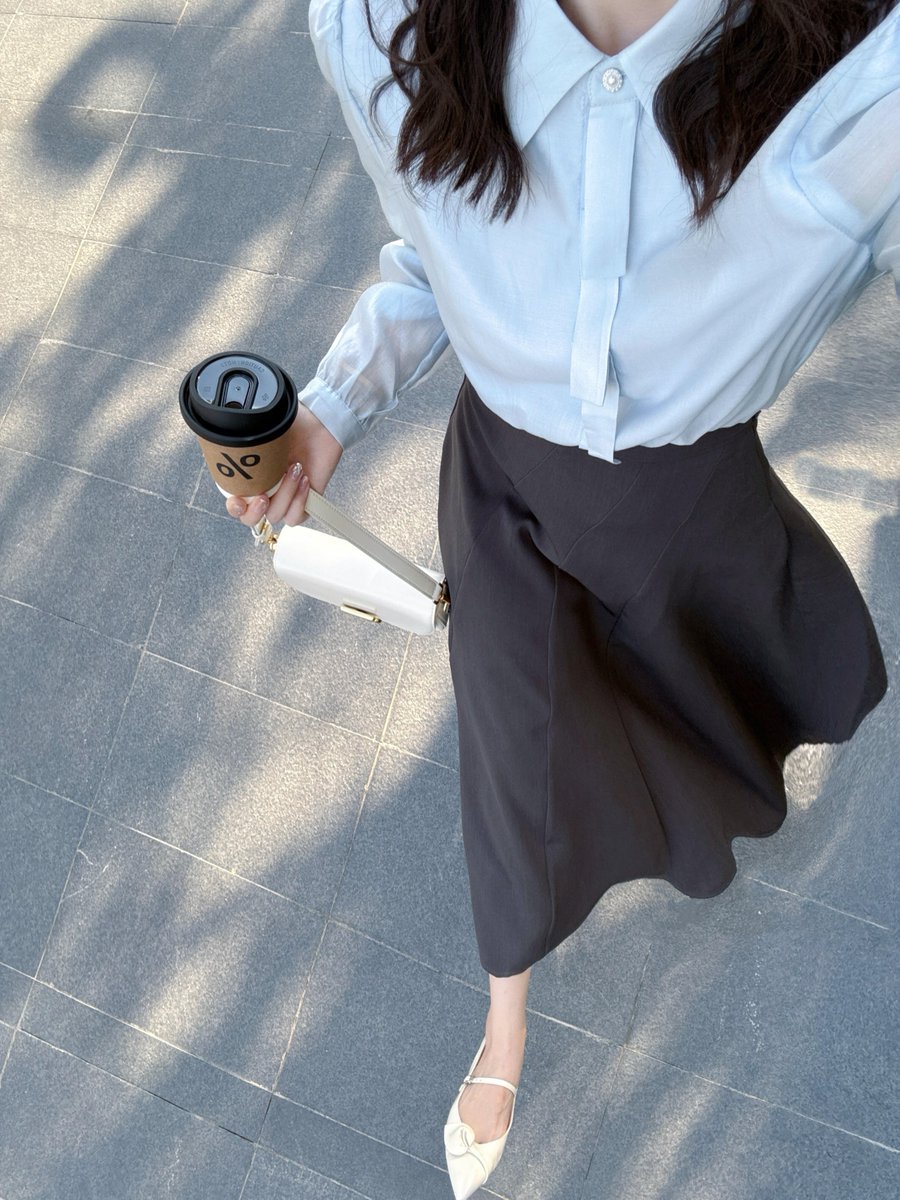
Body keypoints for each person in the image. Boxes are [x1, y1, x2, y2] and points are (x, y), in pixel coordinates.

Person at [225, 0, 897, 1195]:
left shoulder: (869, 74)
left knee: (708, 698)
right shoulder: (377, 19)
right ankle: (506, 1028)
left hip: (692, 505)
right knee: (514, 770)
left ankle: (701, 802)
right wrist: (331, 406)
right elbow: (429, 247)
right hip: (506, 499)